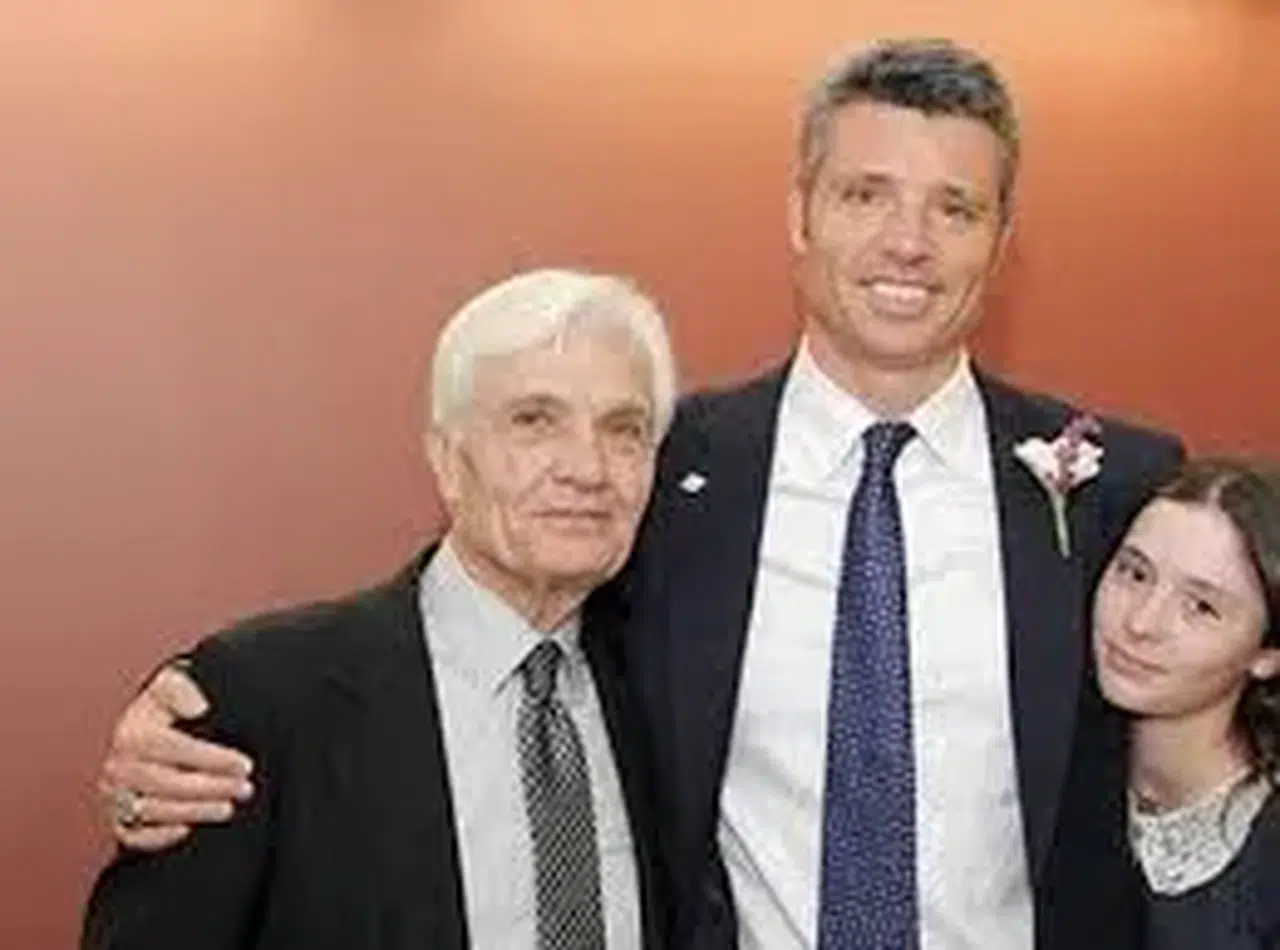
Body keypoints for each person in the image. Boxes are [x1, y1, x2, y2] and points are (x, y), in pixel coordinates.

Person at [91, 38, 1186, 950]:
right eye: (865, 195)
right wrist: (181, 708)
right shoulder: (666, 467)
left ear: (1001, 240)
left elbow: (1232, 697)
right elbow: (474, 612)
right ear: (800, 213)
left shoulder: (1114, 487)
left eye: (954, 207)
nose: (908, 242)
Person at [81, 267, 677, 950]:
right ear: (448, 461)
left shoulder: (673, 695)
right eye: (535, 422)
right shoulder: (263, 704)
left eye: (624, 430)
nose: (588, 469)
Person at [1093, 458, 1280, 950]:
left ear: (1266, 655)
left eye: (1200, 607)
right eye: (1135, 573)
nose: (1141, 623)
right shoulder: (1050, 778)